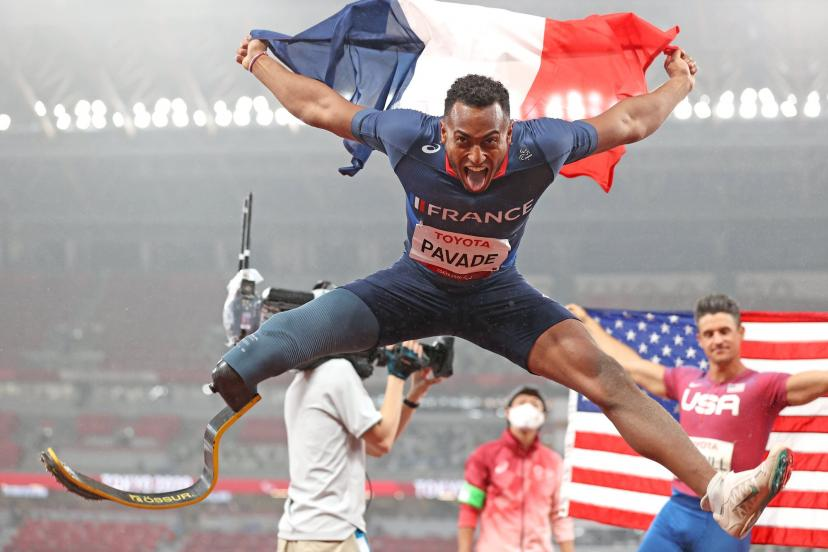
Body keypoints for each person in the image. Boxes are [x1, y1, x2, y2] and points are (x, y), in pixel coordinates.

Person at [211, 33, 790, 538]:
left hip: (497, 296)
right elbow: (318, 105)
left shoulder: (544, 145)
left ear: (510, 131)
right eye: (463, 140)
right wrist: (259, 60)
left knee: (607, 377)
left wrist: (680, 83)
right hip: (413, 286)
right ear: (443, 130)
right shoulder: (408, 134)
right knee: (281, 339)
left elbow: (631, 122)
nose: (477, 157)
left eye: (491, 140)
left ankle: (721, 493)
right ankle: (231, 385)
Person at [567, 295, 828, 551]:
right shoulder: (686, 380)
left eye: (724, 331)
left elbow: (818, 383)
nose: (718, 340)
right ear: (699, 340)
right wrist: (588, 324)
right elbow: (632, 366)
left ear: (740, 333)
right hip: (677, 511)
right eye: (710, 334)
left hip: (727, 522)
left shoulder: (764, 386)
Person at [278, 338, 445, 552]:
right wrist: (398, 373)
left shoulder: (305, 378)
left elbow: (375, 445)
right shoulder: (338, 371)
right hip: (330, 535)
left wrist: (414, 395)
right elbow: (382, 441)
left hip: (300, 534)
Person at [458, 386, 575, 552]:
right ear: (508, 412)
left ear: (543, 416)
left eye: (535, 404)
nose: (528, 407)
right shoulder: (484, 456)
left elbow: (561, 515)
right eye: (521, 402)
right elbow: (469, 507)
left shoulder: (553, 462)